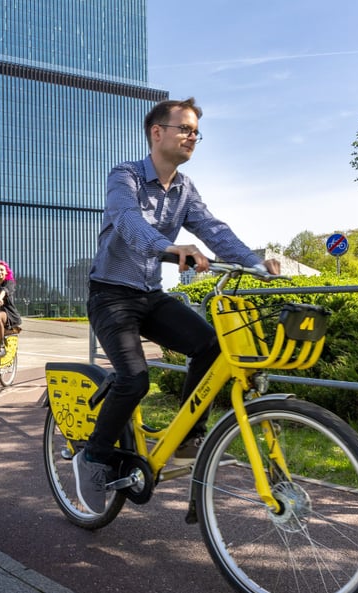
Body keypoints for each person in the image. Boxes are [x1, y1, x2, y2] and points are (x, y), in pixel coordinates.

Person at [74, 97, 281, 514]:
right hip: (110, 294)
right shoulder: (125, 176)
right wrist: (169, 246)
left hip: (149, 294)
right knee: (135, 379)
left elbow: (213, 229)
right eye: (185, 129)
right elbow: (130, 222)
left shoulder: (186, 189)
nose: (192, 137)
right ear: (157, 132)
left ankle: (189, 437)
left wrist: (256, 263)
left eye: (196, 132)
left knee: (212, 346)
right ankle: (93, 457)